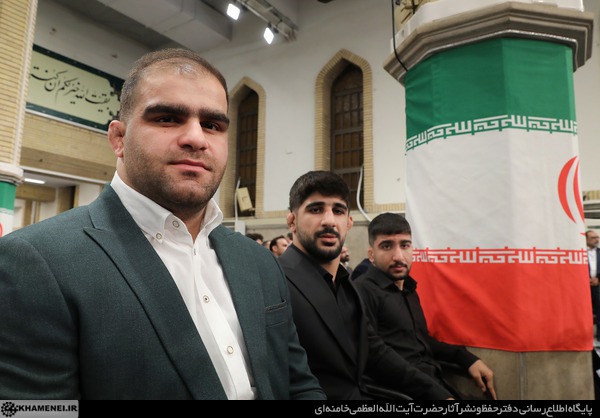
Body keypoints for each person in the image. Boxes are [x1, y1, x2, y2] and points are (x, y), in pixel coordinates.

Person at [0, 48, 325, 400]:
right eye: (168, 118)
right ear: (119, 139)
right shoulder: (38, 263)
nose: (196, 138)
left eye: (212, 125)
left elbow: (298, 384)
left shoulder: (259, 262)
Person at [278, 170, 454, 400]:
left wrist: (439, 395)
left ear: (349, 223)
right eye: (316, 209)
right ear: (292, 221)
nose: (329, 220)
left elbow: (375, 353)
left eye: (338, 211)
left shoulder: (348, 287)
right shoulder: (275, 281)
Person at [354, 212, 497, 400]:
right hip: (403, 393)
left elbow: (419, 341)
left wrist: (466, 358)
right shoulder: (361, 292)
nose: (398, 256)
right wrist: (436, 394)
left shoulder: (408, 289)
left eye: (405, 245)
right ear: (371, 254)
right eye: (387, 246)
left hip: (434, 382)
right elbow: (376, 357)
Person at [586, 230, 600, 340]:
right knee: (585, 311)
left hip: (597, 286)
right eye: (593, 238)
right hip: (582, 286)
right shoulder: (580, 252)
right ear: (586, 239)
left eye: (597, 237)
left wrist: (598, 279)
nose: (596, 240)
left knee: (599, 310)